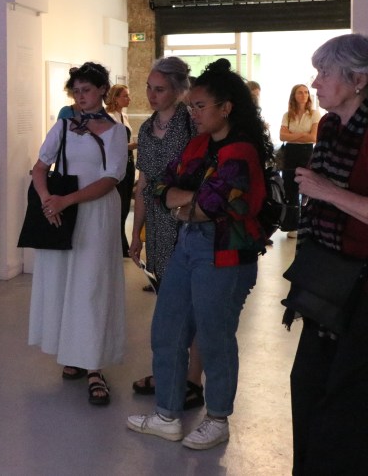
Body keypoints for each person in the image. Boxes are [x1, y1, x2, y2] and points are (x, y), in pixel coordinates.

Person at [127, 58, 270, 450]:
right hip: (189, 244)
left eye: (201, 106)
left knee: (214, 337)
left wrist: (187, 202)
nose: (193, 113)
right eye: (192, 106)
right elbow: (160, 186)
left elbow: (211, 206)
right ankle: (167, 415)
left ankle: (218, 418)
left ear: (226, 108)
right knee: (167, 330)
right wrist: (187, 202)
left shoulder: (240, 152)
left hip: (225, 253)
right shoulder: (199, 144)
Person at [289, 34, 368, 474]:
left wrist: (327, 191)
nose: (315, 82)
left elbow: (325, 193)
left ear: (358, 79)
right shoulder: (331, 127)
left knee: (346, 400)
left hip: (361, 284)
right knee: (308, 385)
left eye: (324, 73)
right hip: (327, 278)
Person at [28, 62, 128, 406]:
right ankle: (72, 353)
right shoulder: (63, 126)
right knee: (63, 282)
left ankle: (94, 366)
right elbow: (39, 168)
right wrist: (48, 201)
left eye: (87, 90)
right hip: (63, 214)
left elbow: (111, 178)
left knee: (91, 285)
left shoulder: (115, 132)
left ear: (102, 91)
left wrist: (65, 200)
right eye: (76, 91)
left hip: (96, 213)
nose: (80, 97)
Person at [127, 57, 203, 408]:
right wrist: (136, 233)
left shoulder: (191, 124)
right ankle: (168, 371)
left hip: (189, 219)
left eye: (159, 89)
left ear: (178, 90)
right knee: (168, 305)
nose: (152, 95)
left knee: (193, 304)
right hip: (158, 225)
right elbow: (143, 184)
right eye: (149, 88)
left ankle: (192, 380)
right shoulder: (146, 129)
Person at [279, 83, 321, 237]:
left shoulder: (314, 114)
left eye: (306, 92)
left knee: (306, 189)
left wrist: (293, 135)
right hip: (290, 153)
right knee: (290, 188)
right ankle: (292, 226)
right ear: (294, 96)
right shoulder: (287, 115)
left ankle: (307, 224)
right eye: (300, 92)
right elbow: (282, 136)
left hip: (307, 153)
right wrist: (303, 134)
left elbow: (313, 137)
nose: (304, 95)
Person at [106, 84, 137, 257]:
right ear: (115, 98)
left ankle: (121, 241)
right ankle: (117, 243)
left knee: (125, 204)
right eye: (125, 96)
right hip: (118, 163)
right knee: (118, 204)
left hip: (128, 163)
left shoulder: (123, 116)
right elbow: (112, 145)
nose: (129, 99)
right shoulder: (110, 117)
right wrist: (132, 146)